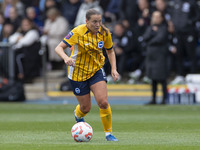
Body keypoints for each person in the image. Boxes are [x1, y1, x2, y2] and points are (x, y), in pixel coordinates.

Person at [55, 9, 119, 141]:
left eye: (100, 21)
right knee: (85, 107)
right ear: (86, 21)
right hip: (77, 73)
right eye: (94, 21)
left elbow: (110, 51)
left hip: (96, 70)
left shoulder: (105, 33)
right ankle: (78, 115)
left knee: (103, 102)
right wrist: (66, 58)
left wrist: (114, 69)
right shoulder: (77, 32)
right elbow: (58, 48)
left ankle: (109, 134)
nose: (98, 24)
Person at [143, 11, 169, 105]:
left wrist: (150, 39)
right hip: (151, 57)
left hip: (160, 56)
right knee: (153, 78)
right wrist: (152, 33)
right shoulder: (150, 28)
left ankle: (164, 99)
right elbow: (145, 37)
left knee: (162, 78)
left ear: (162, 18)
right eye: (154, 16)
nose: (156, 18)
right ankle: (153, 99)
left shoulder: (164, 28)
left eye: (158, 17)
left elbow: (160, 39)